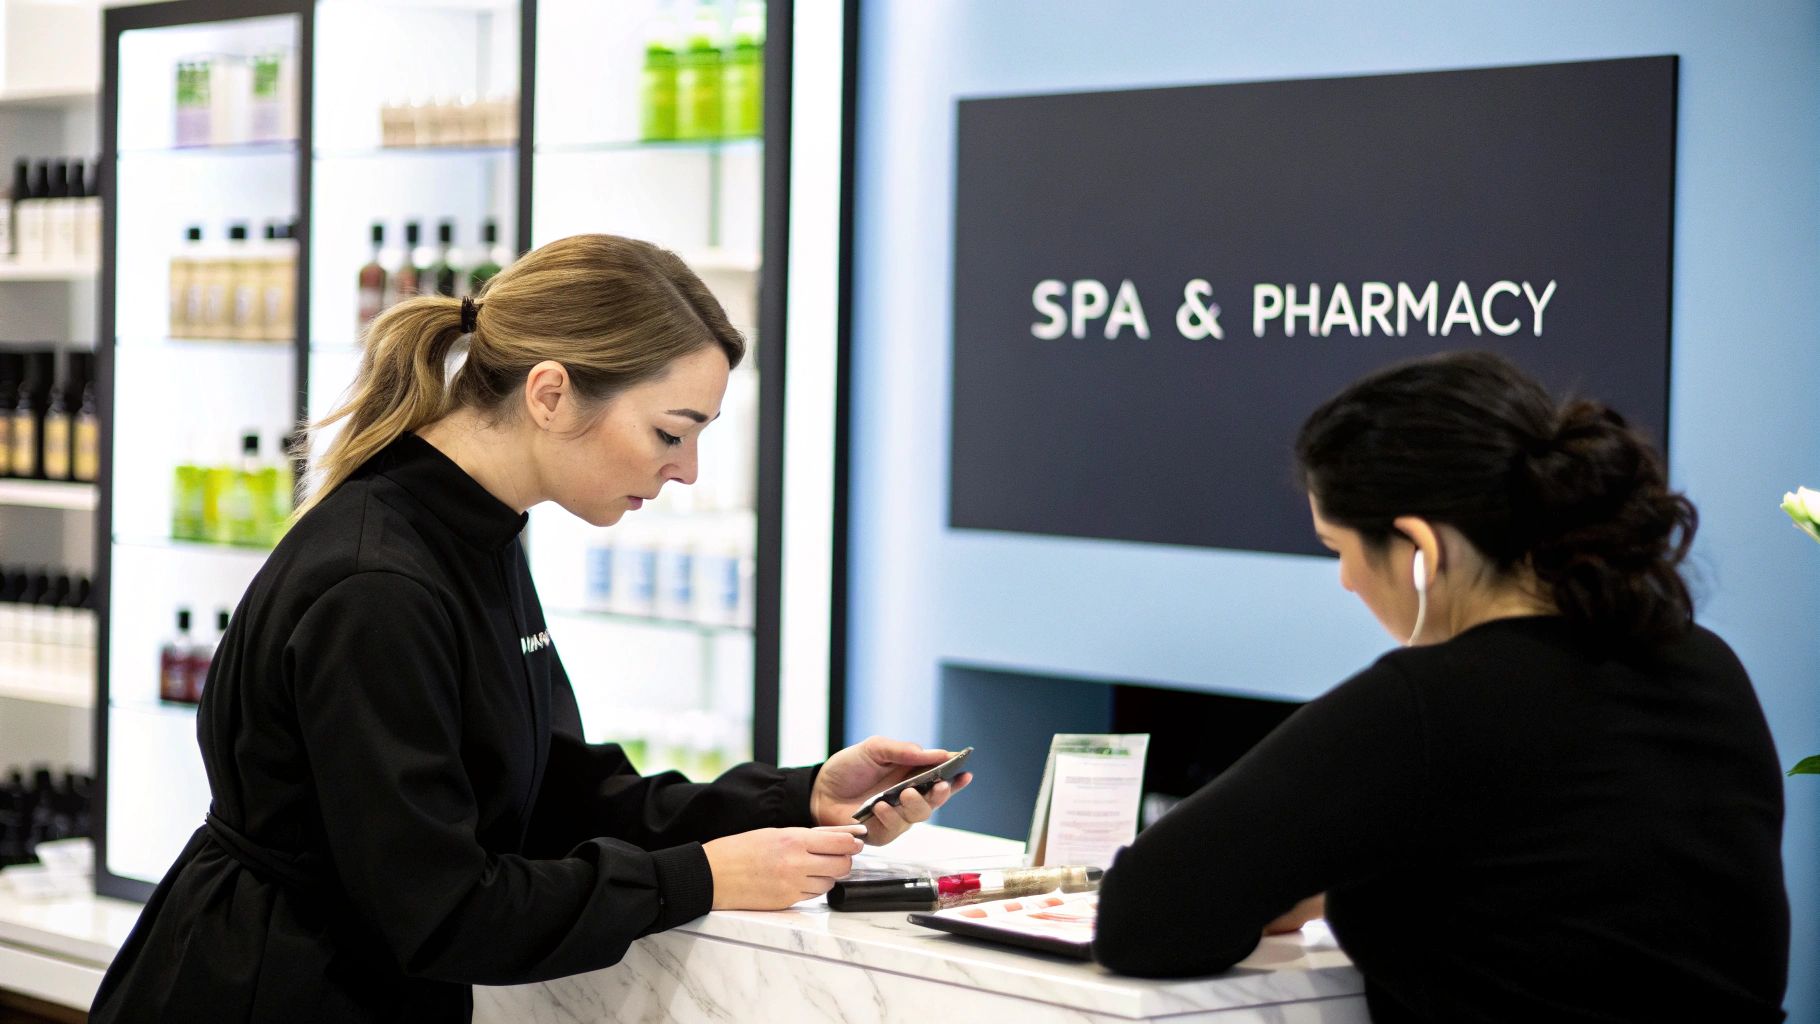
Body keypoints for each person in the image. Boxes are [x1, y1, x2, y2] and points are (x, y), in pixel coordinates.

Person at [91, 234, 969, 1023]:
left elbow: (553, 793)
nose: (688, 470)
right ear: (550, 392)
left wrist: (792, 799)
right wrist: (695, 878)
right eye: (671, 430)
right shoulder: (378, 587)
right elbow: (442, 911)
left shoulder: (478, 535)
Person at [1093, 352, 1789, 1021]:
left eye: (1340, 550)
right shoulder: (1706, 665)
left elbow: (1142, 918)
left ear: (1421, 551)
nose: (1345, 581)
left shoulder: (1427, 703)